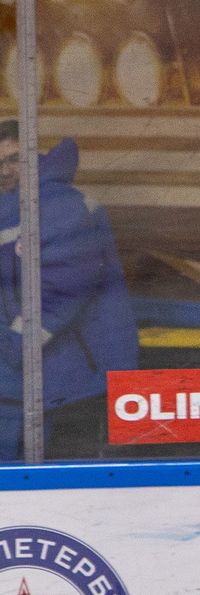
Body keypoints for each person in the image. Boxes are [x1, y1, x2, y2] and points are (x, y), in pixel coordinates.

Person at [0, 123, 139, 459]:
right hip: (25, 385)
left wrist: (15, 347)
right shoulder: (10, 206)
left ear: (36, 157)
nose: (5, 169)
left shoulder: (60, 204)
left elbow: (60, 290)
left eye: (15, 158)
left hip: (67, 385)